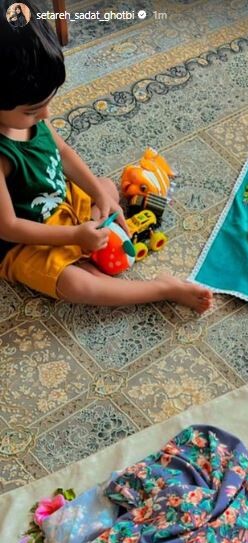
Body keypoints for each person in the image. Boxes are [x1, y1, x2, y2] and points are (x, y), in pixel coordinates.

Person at [0, 2, 212, 311]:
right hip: (28, 239)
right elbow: (8, 227)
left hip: (62, 202)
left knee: (107, 188)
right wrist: (74, 235)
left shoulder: (29, 113)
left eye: (48, 102)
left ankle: (89, 248)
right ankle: (160, 289)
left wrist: (99, 197)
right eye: (32, 110)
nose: (45, 114)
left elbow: (64, 153)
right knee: (76, 284)